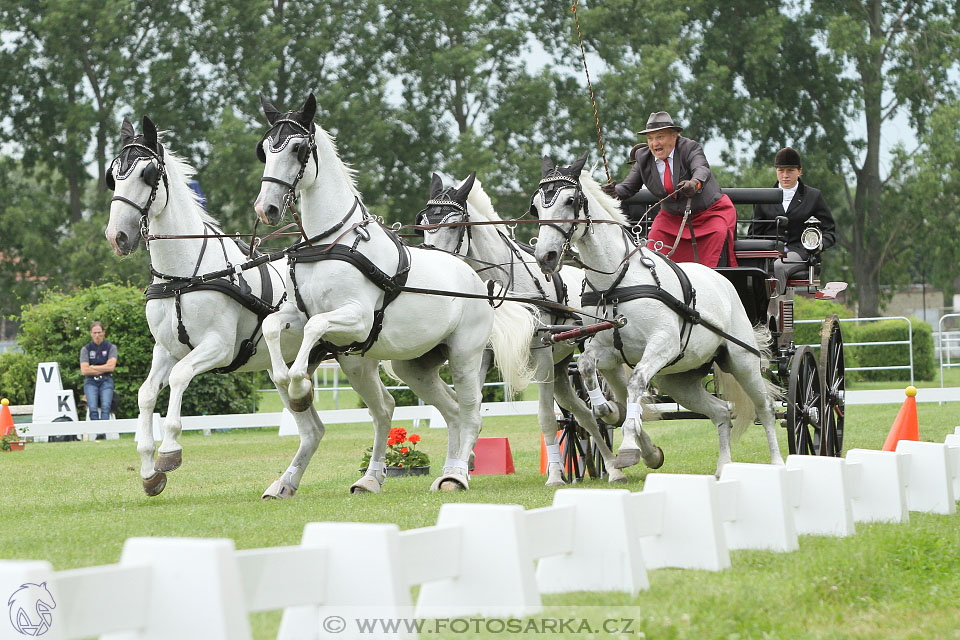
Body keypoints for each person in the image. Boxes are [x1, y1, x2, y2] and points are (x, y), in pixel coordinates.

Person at [601, 111, 737, 267]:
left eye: (660, 137)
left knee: (717, 234)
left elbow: (701, 168)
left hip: (709, 214)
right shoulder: (643, 157)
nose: (654, 144)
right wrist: (612, 192)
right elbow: (628, 188)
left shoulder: (689, 147)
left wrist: (694, 183)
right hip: (671, 218)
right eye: (650, 138)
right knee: (652, 248)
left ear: (674, 136)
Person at [749, 147, 836, 291]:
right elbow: (754, 234)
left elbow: (830, 231)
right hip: (770, 253)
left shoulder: (813, 197)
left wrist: (816, 246)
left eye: (790, 170)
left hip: (801, 254)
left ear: (799, 171)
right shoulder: (764, 198)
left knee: (778, 266)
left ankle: (772, 309)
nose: (785, 175)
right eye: (781, 171)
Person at [80, 322, 117, 420]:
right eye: (94, 333)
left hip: (106, 380)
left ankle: (103, 433)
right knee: (92, 408)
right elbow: (84, 370)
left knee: (106, 407)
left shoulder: (111, 347)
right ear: (91, 333)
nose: (97, 335)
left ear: (103, 332)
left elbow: (111, 367)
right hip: (90, 381)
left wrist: (92, 367)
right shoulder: (86, 349)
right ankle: (96, 433)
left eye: (99, 332)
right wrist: (103, 367)